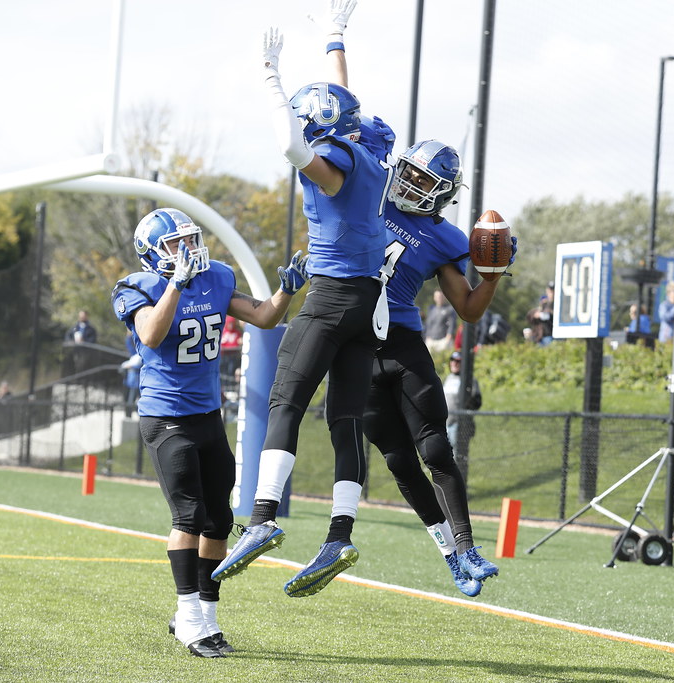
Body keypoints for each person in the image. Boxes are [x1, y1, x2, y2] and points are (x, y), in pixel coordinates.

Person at [319, 0, 510, 595]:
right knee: (398, 459)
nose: (410, 185)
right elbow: (337, 112)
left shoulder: (446, 236)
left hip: (399, 339)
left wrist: (494, 275)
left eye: (426, 185)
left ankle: (469, 550)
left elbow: (469, 309)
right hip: (353, 340)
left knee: (433, 446)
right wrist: (335, 39)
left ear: (442, 196)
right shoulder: (369, 186)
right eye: (411, 174)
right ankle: (447, 553)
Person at [211, 26, 392, 599]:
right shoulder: (366, 150)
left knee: (284, 402)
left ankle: (261, 518)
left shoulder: (333, 162)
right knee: (345, 419)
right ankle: (340, 535)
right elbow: (342, 98)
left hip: (334, 298)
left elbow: (294, 145)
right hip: (370, 302)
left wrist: (269, 73)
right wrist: (335, 41)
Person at [111, 207, 308, 657]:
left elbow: (262, 317)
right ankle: (188, 618)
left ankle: (205, 617)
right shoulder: (135, 287)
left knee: (219, 520)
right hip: (165, 417)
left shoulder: (216, 277)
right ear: (152, 253)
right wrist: (176, 285)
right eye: (176, 244)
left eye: (191, 240)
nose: (189, 250)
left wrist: (286, 292)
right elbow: (152, 335)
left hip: (208, 416)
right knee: (189, 516)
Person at [119, 331, 141, 418]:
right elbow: (129, 346)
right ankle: (128, 416)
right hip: (130, 382)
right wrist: (128, 336)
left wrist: (129, 366)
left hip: (137, 383)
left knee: (135, 401)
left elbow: (138, 365)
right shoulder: (134, 355)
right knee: (129, 400)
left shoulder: (140, 356)